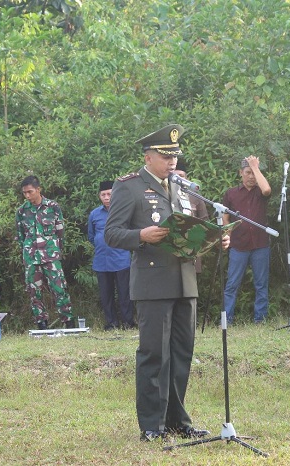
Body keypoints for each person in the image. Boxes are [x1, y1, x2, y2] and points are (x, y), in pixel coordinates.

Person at [105, 124, 229, 442]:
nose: (172, 161)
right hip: (152, 281)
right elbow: (112, 233)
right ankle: (151, 424)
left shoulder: (184, 187)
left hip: (185, 281)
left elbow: (191, 230)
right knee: (153, 353)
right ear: (148, 157)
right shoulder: (129, 188)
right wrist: (140, 235)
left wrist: (216, 239)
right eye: (165, 155)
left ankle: (177, 420)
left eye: (175, 155)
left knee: (181, 352)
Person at [15, 175, 75, 329]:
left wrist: (55, 250)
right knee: (34, 292)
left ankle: (68, 321)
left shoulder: (53, 207)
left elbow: (60, 232)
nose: (27, 196)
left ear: (38, 189)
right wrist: (28, 252)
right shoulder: (21, 211)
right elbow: (21, 236)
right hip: (31, 258)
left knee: (59, 289)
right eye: (25, 193)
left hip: (51, 255)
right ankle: (41, 323)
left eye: (30, 192)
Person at [222, 156, 272, 324]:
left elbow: (267, 190)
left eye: (254, 173)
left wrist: (256, 167)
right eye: (248, 172)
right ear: (240, 173)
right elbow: (225, 217)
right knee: (232, 284)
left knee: (261, 284)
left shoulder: (260, 192)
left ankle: (260, 319)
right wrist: (227, 235)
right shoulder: (231, 193)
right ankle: (226, 320)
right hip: (238, 245)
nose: (251, 177)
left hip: (260, 245)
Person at [87, 180, 135, 330]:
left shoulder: (123, 211)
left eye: (109, 194)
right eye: (103, 194)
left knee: (124, 294)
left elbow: (131, 233)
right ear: (99, 196)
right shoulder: (94, 214)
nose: (106, 197)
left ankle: (128, 322)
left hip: (121, 260)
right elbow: (91, 236)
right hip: (102, 261)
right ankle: (111, 323)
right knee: (106, 295)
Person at [173, 159, 209, 274]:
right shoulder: (164, 196)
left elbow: (205, 223)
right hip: (170, 250)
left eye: (181, 176)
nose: (179, 179)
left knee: (191, 289)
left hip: (191, 250)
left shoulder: (195, 197)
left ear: (186, 178)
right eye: (175, 176)